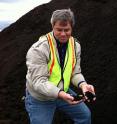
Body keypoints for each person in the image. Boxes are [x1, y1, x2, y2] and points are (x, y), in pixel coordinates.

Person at [25, 9, 96, 124]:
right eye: (59, 30)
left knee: (84, 116)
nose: (63, 34)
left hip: (63, 91)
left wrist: (83, 85)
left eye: (67, 30)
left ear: (72, 27)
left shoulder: (75, 46)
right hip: (41, 97)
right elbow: (38, 81)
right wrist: (60, 94)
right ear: (52, 26)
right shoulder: (39, 49)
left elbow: (75, 72)